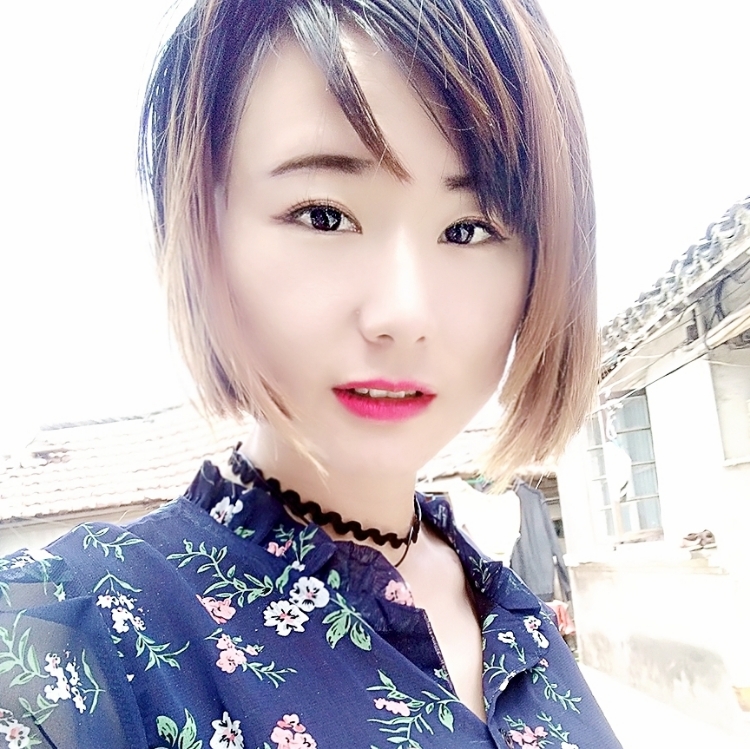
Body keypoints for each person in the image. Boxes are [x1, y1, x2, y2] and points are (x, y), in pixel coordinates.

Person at [0, 1, 621, 747]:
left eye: (469, 228)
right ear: (201, 230)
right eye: (324, 215)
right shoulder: (67, 637)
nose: (402, 313)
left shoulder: (517, 617)